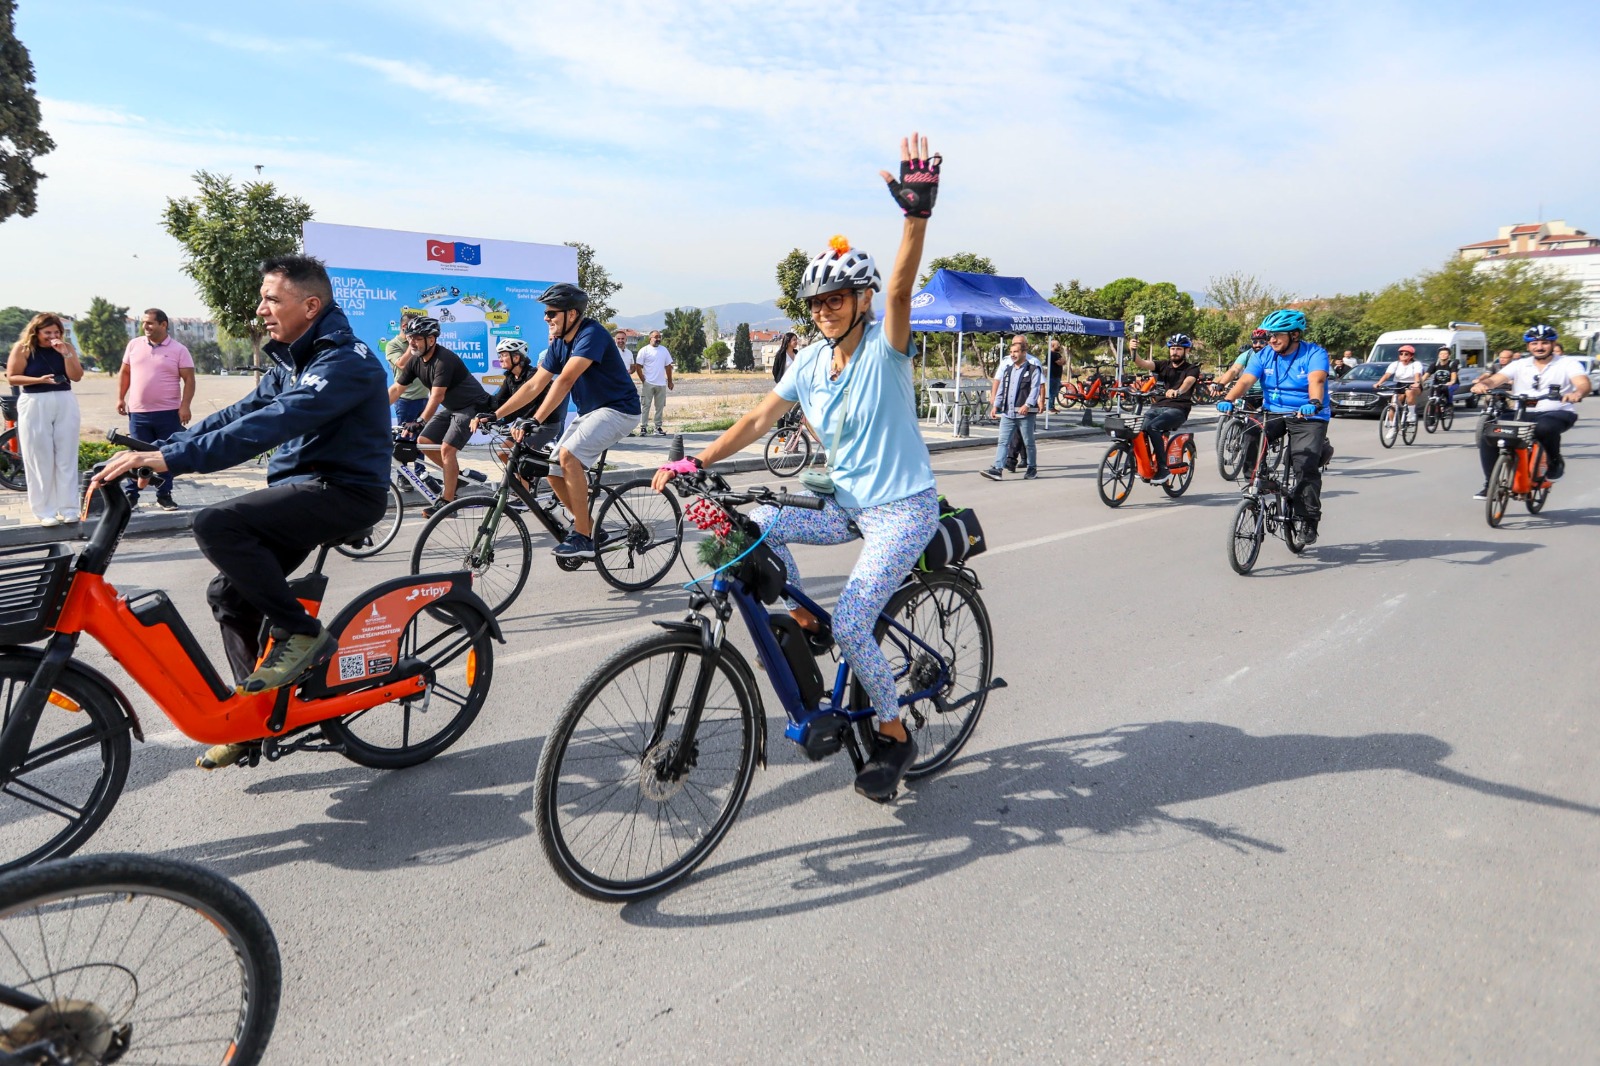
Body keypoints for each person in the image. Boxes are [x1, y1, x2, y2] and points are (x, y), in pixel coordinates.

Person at [652, 132, 943, 803]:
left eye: (837, 298)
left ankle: (896, 735)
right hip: (844, 503)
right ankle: (802, 616)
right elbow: (757, 421)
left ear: (861, 301)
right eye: (816, 303)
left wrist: (915, 217)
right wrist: (699, 457)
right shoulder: (811, 360)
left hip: (903, 508)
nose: (824, 309)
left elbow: (901, 288)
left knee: (852, 623)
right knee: (750, 527)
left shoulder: (884, 346)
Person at [94, 255, 391, 768]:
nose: (261, 310)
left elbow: (273, 423)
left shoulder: (347, 362)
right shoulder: (295, 359)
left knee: (216, 522)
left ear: (310, 305)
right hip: (303, 489)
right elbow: (238, 414)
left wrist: (171, 459)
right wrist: (162, 447)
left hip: (343, 492)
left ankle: (300, 633)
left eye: (272, 299)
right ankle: (253, 720)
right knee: (228, 594)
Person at [489, 283, 641, 559]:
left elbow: (566, 380)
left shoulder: (591, 334)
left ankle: (582, 535)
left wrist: (534, 419)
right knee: (553, 470)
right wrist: (496, 414)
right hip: (592, 413)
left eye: (551, 313)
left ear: (572, 314)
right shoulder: (559, 343)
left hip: (619, 410)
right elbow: (534, 385)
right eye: (546, 313)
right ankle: (592, 527)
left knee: (568, 457)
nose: (546, 318)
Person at [1216, 309, 1331, 544]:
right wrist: (1228, 399)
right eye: (1270, 335)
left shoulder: (1314, 353)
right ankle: (1258, 480)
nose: (1272, 340)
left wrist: (1314, 402)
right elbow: (1246, 380)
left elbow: (1316, 380)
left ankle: (1308, 520)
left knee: (1305, 464)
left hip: (1308, 414)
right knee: (1250, 431)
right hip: (1273, 411)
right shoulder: (1265, 354)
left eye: (1278, 335)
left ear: (1295, 335)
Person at [389, 315, 494, 516]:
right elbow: (396, 390)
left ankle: (447, 502)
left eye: (418, 338)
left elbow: (437, 395)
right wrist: (373, 410)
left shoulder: (444, 359)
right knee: (424, 441)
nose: (412, 342)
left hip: (472, 407)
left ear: (432, 339)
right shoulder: (415, 361)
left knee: (447, 449)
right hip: (452, 408)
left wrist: (420, 420)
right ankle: (457, 476)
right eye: (410, 337)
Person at [1470, 324, 1589, 498]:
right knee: (1490, 432)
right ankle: (1491, 484)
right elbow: (1495, 379)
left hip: (1557, 411)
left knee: (1543, 428)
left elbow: (1583, 383)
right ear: (1528, 346)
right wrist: (1483, 385)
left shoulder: (1567, 363)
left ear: (1553, 344)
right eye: (1534, 343)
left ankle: (1554, 461)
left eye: (1544, 343)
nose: (1539, 347)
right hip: (1522, 411)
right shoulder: (1520, 364)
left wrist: (1577, 393)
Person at [5, 313, 84, 526]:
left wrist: (65, 354)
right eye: (47, 333)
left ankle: (69, 508)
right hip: (34, 400)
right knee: (39, 458)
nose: (52, 336)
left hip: (64, 399)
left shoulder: (66, 348)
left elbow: (76, 376)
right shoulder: (23, 348)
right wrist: (38, 380)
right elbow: (12, 376)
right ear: (37, 332)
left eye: (56, 332)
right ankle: (45, 511)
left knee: (66, 455)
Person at [116, 308, 195, 511]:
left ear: (163, 324)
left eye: (150, 323)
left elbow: (189, 380)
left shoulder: (179, 350)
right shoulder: (134, 345)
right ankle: (131, 495)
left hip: (168, 413)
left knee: (166, 455)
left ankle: (164, 495)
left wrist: (185, 406)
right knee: (137, 454)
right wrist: (120, 398)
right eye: (144, 323)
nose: (145, 327)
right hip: (138, 413)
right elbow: (125, 373)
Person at [1130, 332, 1199, 483]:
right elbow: (1142, 363)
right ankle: (1143, 463)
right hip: (1158, 406)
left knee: (1153, 427)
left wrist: (1178, 391)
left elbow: (1188, 382)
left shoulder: (1192, 368)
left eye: (1179, 349)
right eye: (1172, 348)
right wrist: (1133, 351)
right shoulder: (1162, 365)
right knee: (1139, 429)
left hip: (1178, 409)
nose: (1175, 351)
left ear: (1186, 351)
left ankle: (1163, 468)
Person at [981, 335, 1044, 480]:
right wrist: (996, 405)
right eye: (1011, 352)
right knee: (1003, 442)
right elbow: (1002, 388)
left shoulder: (1033, 369)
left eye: (1016, 352)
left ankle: (1032, 468)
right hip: (1008, 413)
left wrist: (1028, 404)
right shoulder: (1008, 370)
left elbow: (1035, 389)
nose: (1012, 355)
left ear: (1023, 353)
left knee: (1029, 443)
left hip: (1025, 414)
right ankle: (997, 469)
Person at [385, 310, 428, 426]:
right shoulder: (393, 345)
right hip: (406, 400)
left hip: (424, 398)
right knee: (405, 439)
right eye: (415, 327)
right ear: (404, 326)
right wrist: (412, 344)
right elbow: (402, 364)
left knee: (420, 440)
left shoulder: (421, 342)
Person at [631, 329, 673, 436]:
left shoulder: (664, 350)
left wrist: (670, 381)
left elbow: (668, 366)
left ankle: (657, 427)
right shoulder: (644, 350)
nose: (658, 339)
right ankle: (643, 427)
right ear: (650, 338)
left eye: (659, 337)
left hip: (661, 384)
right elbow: (638, 367)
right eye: (656, 337)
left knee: (660, 406)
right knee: (646, 406)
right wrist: (643, 380)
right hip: (648, 383)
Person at [1375, 345, 1426, 419]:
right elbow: (1387, 375)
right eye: (1401, 354)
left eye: (1406, 354)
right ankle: (1392, 426)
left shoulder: (1416, 364)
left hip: (1413, 384)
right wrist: (1379, 383)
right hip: (1400, 384)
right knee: (1393, 404)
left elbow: (1417, 374)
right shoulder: (1395, 364)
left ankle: (1411, 414)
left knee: (1409, 392)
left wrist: (1417, 383)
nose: (1403, 356)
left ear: (1411, 356)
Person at [1216, 328, 1267, 395]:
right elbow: (1234, 370)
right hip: (1249, 393)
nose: (1258, 345)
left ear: (1267, 342)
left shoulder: (1273, 354)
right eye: (1255, 342)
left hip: (1267, 393)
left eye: (1261, 342)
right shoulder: (1247, 354)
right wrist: (1222, 384)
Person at [1046, 336, 1066, 411]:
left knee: (1055, 392)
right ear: (1053, 345)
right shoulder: (1051, 354)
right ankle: (1050, 407)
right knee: (1052, 392)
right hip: (1052, 376)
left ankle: (1052, 406)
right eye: (1057, 345)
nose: (1059, 346)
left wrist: (1062, 361)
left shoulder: (1057, 354)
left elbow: (1064, 362)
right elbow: (1060, 363)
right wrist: (1061, 361)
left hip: (1057, 376)